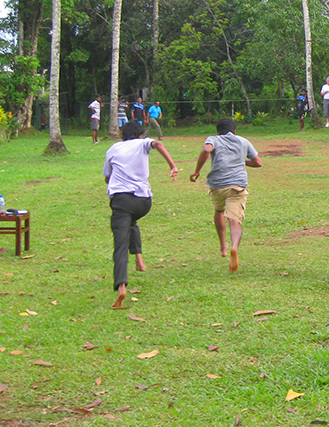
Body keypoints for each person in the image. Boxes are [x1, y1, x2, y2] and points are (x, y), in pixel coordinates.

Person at [103, 120, 178, 308]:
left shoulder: (113, 149)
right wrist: (172, 166)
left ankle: (121, 286)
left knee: (120, 243)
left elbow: (107, 177)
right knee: (130, 221)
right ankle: (139, 259)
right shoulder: (143, 143)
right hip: (144, 202)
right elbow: (158, 144)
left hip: (121, 200)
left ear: (123, 135)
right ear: (140, 134)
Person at [190, 118, 262, 274]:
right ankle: (234, 246)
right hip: (237, 185)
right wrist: (242, 161)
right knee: (234, 221)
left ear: (217, 132)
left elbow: (206, 150)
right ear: (234, 131)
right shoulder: (243, 141)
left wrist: (196, 171)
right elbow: (258, 162)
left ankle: (223, 246)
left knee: (219, 211)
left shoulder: (213, 139)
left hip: (217, 185)